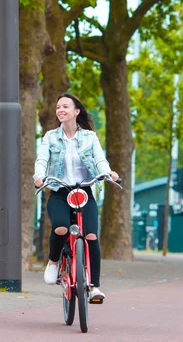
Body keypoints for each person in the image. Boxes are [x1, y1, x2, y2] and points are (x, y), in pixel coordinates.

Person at [33, 93, 119, 302]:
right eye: (58, 107)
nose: (60, 110)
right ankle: (54, 262)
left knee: (90, 236)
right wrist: (39, 176)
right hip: (60, 192)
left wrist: (108, 173)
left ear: (76, 111)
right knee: (61, 227)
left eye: (65, 106)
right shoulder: (50, 137)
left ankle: (95, 287)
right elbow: (42, 159)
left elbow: (100, 160)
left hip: (84, 192)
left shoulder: (90, 137)